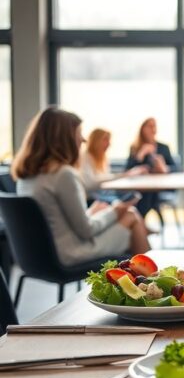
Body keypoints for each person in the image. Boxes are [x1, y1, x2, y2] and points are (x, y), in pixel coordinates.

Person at [12, 107, 150, 266]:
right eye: (79, 134)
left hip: (41, 255)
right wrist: (115, 211)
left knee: (121, 213)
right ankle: (152, 277)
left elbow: (57, 222)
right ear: (65, 139)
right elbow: (87, 231)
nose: (83, 140)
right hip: (72, 253)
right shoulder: (63, 175)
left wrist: (92, 212)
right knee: (131, 214)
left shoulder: (26, 176)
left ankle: (141, 276)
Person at [126, 117, 176, 216]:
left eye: (154, 126)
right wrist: (140, 155)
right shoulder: (135, 148)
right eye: (149, 126)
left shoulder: (163, 148)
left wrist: (164, 168)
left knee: (148, 196)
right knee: (144, 195)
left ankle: (139, 220)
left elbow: (176, 168)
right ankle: (139, 220)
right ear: (142, 129)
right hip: (141, 187)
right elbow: (128, 170)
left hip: (161, 186)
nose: (152, 129)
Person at [80, 128, 147, 201]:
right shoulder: (85, 157)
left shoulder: (102, 159)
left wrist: (124, 175)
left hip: (102, 195)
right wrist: (122, 175)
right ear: (96, 141)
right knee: (129, 200)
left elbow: (105, 178)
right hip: (92, 198)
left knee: (134, 196)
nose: (109, 144)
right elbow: (91, 183)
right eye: (105, 140)